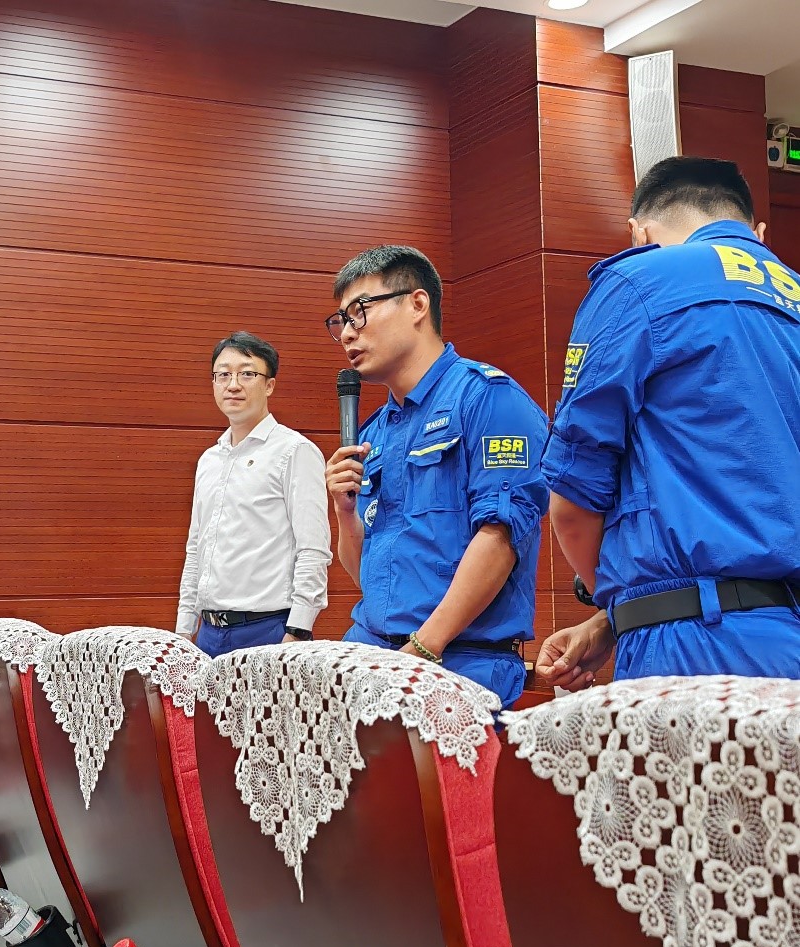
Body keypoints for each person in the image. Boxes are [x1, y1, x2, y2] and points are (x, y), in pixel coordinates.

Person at [536, 156, 800, 690]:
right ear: (757, 234)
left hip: (693, 646)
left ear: (639, 233)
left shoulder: (639, 280)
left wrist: (631, 608)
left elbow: (573, 502)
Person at [323, 247, 549, 709]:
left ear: (417, 304)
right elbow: (370, 572)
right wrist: (345, 513)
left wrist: (425, 648)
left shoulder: (487, 399)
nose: (347, 332)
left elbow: (500, 537)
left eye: (360, 311)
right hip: (373, 654)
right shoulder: (374, 432)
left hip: (458, 662)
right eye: (341, 320)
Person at [176, 331, 331, 656]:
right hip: (208, 634)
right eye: (223, 375)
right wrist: (183, 631)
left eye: (247, 374)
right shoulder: (209, 460)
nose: (233, 385)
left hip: (269, 631)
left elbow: (313, 549)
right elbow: (196, 549)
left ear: (269, 385)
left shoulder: (294, 451)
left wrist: (297, 631)